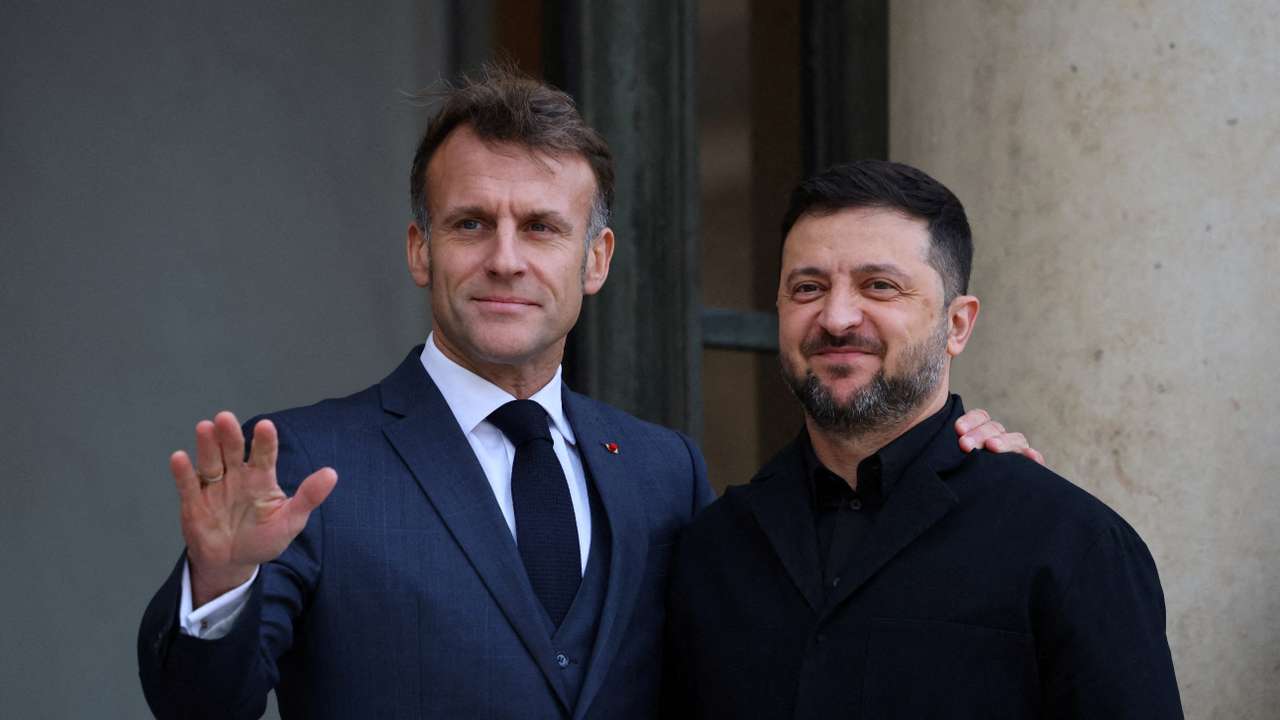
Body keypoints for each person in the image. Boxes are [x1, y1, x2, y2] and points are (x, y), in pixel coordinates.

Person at [137, 70, 1033, 719]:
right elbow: (199, 704)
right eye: (470, 224)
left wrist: (963, 481)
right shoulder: (304, 464)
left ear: (594, 261)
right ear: (420, 249)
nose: (506, 258)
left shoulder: (661, 468)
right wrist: (220, 583)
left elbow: (794, 634)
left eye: (542, 227)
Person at [664, 160, 1183, 719]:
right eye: (808, 287)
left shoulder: (1072, 543)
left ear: (957, 325)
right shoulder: (715, 547)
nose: (836, 317)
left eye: (879, 286)